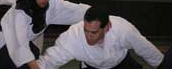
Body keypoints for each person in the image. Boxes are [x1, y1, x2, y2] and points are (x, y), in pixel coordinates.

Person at [37, 7, 165, 69]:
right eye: (85, 30)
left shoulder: (123, 29)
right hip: (92, 66)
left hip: (121, 63)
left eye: (93, 33)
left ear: (107, 27)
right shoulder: (73, 35)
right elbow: (52, 58)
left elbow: (146, 50)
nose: (88, 37)